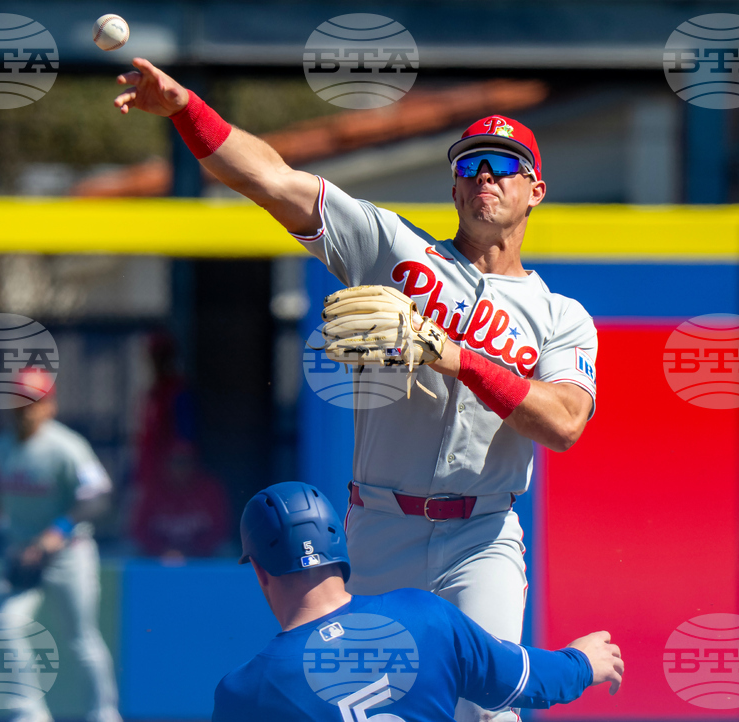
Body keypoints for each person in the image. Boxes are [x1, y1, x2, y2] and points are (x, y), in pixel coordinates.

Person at [113, 59, 598, 722]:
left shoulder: (560, 316)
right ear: (453, 185)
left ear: (535, 188)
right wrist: (183, 109)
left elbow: (566, 423)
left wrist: (456, 356)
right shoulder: (394, 252)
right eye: (470, 164)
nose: (485, 175)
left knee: (488, 711)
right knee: (349, 699)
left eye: (503, 165)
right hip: (380, 528)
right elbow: (271, 178)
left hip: (480, 535)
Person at [215, 481, 622, 722]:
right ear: (339, 545)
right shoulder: (424, 616)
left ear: (261, 571)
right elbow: (530, 682)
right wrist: (583, 663)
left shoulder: (245, 692)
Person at [0, 371, 121, 722]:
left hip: (68, 554)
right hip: (23, 553)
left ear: (50, 406)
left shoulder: (66, 446)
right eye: (21, 401)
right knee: (4, 625)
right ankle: (29, 713)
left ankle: (104, 713)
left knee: (81, 637)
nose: (26, 409)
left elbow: (99, 496)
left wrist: (58, 530)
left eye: (35, 401)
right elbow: (3, 498)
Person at [130, 331, 231, 559]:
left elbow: (184, 443)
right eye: (154, 356)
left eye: (162, 356)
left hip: (177, 484)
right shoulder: (151, 394)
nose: (157, 362)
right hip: (154, 481)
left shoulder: (177, 392)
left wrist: (179, 466)